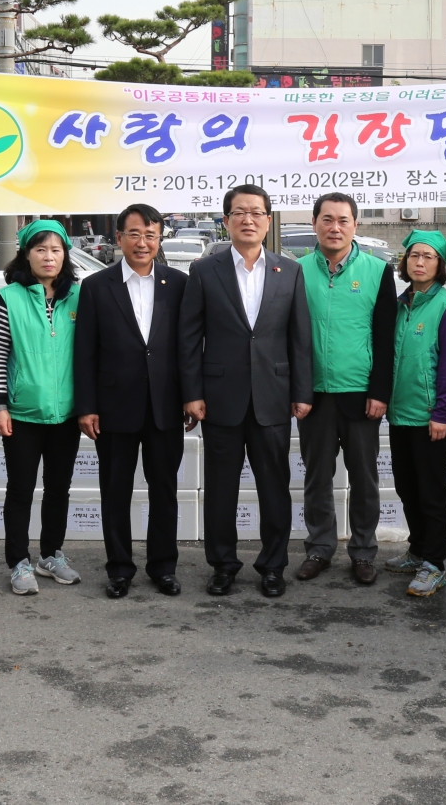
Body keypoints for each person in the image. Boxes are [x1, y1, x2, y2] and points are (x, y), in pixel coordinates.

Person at [178, 184, 313, 599]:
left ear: (268, 221)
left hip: (273, 397)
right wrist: (192, 392)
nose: (248, 219)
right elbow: (189, 337)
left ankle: (273, 566)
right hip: (220, 398)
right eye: (239, 212)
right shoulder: (204, 270)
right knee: (221, 489)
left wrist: (302, 391)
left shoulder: (289, 270)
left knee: (275, 487)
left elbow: (300, 338)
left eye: (256, 212)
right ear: (226, 221)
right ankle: (223, 564)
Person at [74, 204, 189, 599]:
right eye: (135, 234)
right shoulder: (96, 286)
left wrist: (192, 398)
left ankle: (163, 567)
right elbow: (85, 352)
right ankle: (119, 568)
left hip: (165, 407)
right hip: (113, 408)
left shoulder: (178, 283)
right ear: (119, 237)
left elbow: (188, 349)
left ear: (159, 240)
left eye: (151, 235)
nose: (143, 242)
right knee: (116, 491)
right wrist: (86, 406)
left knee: (165, 490)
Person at [294, 193, 397, 585]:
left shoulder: (376, 270)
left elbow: (386, 337)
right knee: (317, 477)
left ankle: (363, 551)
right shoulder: (296, 270)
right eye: (327, 219)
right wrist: (297, 390)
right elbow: (292, 339)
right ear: (315, 223)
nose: (334, 227)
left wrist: (380, 391)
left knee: (364, 478)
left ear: (355, 225)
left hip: (361, 394)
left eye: (343, 220)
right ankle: (320, 547)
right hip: (314, 395)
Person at [0, 219, 84, 596]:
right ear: (26, 253)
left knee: (59, 488)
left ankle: (51, 554)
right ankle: (18, 561)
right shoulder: (6, 298)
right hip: (22, 412)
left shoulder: (79, 296)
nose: (48, 256)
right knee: (21, 489)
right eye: (40, 249)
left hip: (67, 414)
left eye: (56, 250)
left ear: (65, 255)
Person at [384, 231, 446, 598]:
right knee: (407, 486)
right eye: (414, 255)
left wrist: (442, 413)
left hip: (430, 416)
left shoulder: (445, 307)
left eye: (428, 257)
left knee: (431, 492)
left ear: (439, 265)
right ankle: (417, 550)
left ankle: (434, 562)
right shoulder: (400, 303)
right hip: (400, 413)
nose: (419, 262)